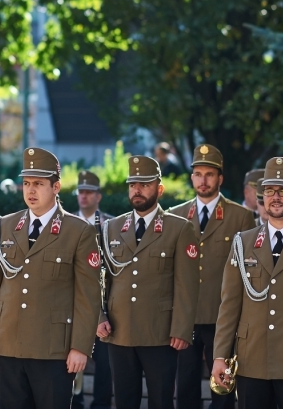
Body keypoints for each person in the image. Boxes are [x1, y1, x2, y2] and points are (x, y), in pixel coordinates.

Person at [0, 148, 101, 409]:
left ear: (56, 187)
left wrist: (80, 347)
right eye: (27, 183)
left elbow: (88, 296)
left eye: (39, 184)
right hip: (7, 344)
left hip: (53, 349)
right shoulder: (5, 226)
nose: (31, 190)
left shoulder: (78, 231)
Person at [212, 157, 283, 409]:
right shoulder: (243, 242)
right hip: (251, 360)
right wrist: (220, 356)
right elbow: (229, 305)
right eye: (270, 191)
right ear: (261, 195)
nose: (276, 197)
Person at [97, 155, 199, 409]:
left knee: (161, 401)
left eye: (144, 184)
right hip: (119, 332)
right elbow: (101, 279)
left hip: (160, 334)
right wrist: (99, 316)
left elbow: (187, 285)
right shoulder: (112, 227)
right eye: (133, 185)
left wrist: (181, 329)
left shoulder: (179, 228)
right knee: (124, 401)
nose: (137, 190)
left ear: (159, 189)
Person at [168, 145, 256, 409]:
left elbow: (248, 270)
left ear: (220, 178)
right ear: (192, 177)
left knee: (223, 387)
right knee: (185, 385)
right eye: (198, 174)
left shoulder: (240, 216)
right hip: (186, 318)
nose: (203, 180)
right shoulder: (175, 215)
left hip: (223, 318)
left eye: (209, 174)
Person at [72, 170, 114, 409]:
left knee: (105, 363)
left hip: (103, 304)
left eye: (89, 192)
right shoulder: (68, 222)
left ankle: (100, 404)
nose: (84, 197)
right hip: (75, 303)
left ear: (98, 196)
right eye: (81, 192)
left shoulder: (111, 225)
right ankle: (75, 401)